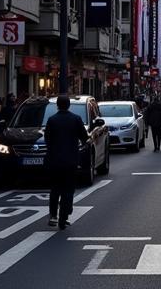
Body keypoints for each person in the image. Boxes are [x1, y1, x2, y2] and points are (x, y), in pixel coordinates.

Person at [44, 95, 89, 229]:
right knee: (68, 190)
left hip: (55, 161)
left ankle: (53, 215)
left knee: (55, 189)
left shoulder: (52, 120)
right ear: (69, 105)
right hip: (71, 161)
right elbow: (84, 138)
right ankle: (64, 215)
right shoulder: (76, 119)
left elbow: (47, 139)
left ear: (57, 105)